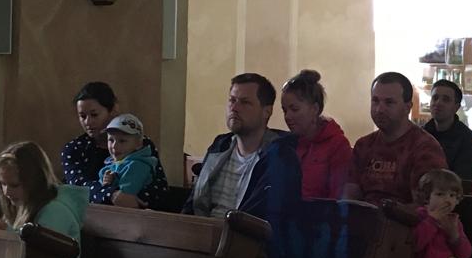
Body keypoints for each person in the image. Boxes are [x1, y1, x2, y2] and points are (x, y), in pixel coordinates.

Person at [185, 73, 301, 224]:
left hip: (245, 235)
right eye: (232, 100)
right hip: (204, 231)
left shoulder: (279, 155)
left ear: (267, 111)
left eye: (245, 102)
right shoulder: (220, 145)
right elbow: (193, 204)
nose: (234, 108)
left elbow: (273, 218)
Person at [60, 82, 170, 209]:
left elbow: (159, 187)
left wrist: (135, 201)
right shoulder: (75, 149)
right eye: (82, 116)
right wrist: (111, 195)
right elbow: (79, 186)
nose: (88, 122)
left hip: (140, 214)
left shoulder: (141, 144)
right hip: (90, 215)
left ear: (112, 110)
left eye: (94, 115)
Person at [0, 142, 86, 258]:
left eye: (14, 185)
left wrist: (7, 232)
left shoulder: (55, 211)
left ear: (34, 181)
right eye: (3, 184)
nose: (6, 192)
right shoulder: (21, 204)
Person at [350, 72, 448, 206]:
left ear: (407, 107)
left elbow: (427, 208)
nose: (379, 109)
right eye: (375, 101)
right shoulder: (363, 145)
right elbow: (350, 195)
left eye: (389, 102)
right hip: (364, 217)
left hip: (405, 219)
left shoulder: (425, 148)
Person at [281, 69, 353, 200]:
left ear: (315, 109)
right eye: (284, 110)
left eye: (294, 109)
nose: (287, 116)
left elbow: (338, 200)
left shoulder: (337, 145)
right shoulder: (287, 144)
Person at [423, 79, 472, 180]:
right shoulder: (421, 134)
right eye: (435, 98)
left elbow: (462, 179)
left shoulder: (469, 139)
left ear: (456, 107)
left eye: (446, 99)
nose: (438, 103)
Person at [96, 114, 159, 209]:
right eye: (111, 140)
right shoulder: (114, 163)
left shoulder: (137, 165)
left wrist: (109, 187)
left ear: (138, 144)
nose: (114, 146)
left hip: (134, 215)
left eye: (122, 141)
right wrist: (107, 181)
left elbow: (124, 196)